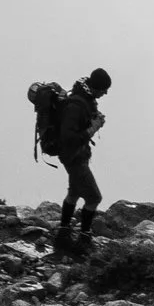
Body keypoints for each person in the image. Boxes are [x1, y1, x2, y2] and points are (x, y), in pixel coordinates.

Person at [49, 67, 111, 254]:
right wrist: (93, 128)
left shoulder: (85, 99)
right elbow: (68, 138)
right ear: (96, 87)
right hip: (73, 157)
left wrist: (94, 122)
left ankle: (64, 233)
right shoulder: (76, 105)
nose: (105, 93)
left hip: (77, 155)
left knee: (74, 192)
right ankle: (84, 238)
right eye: (103, 89)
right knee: (94, 197)